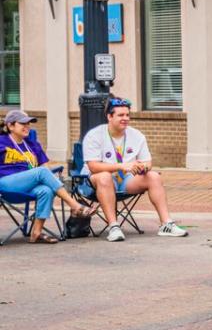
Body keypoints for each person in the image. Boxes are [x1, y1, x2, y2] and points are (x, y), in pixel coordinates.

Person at [83, 97, 188, 242]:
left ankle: (166, 224)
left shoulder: (137, 135)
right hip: (98, 181)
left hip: (126, 180)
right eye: (121, 115)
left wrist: (142, 167)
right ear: (109, 116)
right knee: (104, 176)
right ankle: (113, 227)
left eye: (127, 115)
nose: (125, 118)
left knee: (153, 176)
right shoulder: (94, 135)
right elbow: (93, 166)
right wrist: (121, 166)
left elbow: (148, 162)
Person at [0, 110, 98, 244]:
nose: (27, 127)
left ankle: (36, 232)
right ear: (10, 126)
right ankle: (75, 205)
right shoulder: (2, 142)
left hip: (28, 186)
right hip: (6, 184)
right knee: (42, 172)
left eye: (29, 124)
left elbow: (46, 168)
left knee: (45, 190)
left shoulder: (32, 144)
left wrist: (52, 184)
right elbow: (43, 171)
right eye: (23, 123)